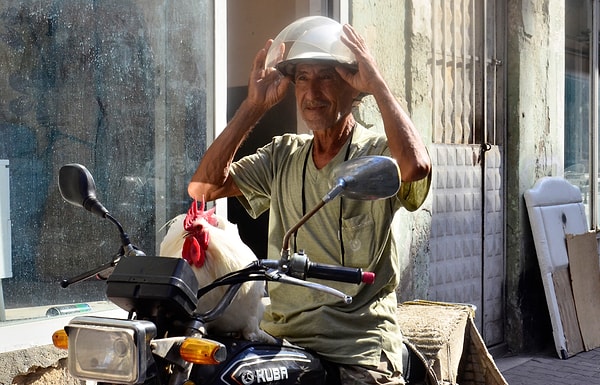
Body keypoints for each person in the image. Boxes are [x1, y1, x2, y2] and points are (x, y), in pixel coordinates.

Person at [188, 16, 432, 385]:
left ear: (354, 86)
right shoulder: (284, 154)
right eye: (302, 77)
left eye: (327, 77)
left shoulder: (377, 154)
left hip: (355, 348)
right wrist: (254, 106)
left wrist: (378, 83)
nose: (312, 91)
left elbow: (414, 166)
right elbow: (204, 188)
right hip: (283, 340)